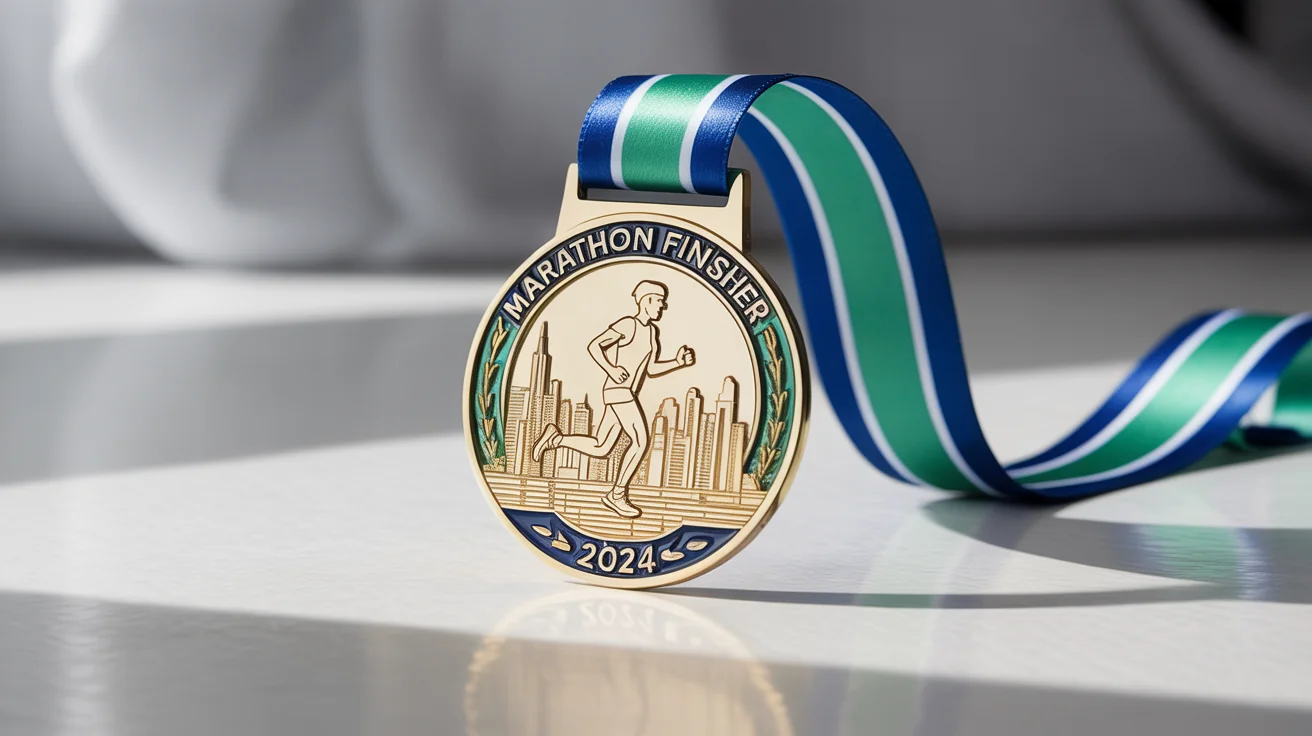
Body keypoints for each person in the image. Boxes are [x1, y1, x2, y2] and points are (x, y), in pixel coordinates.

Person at [532, 280, 694, 518]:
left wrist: (677, 363)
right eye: (659, 301)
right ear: (646, 300)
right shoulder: (629, 324)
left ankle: (556, 439)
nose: (663, 306)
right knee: (640, 442)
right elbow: (595, 345)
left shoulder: (651, 332)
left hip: (624, 393)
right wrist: (611, 368)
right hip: (619, 391)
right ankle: (617, 495)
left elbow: (650, 369)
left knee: (602, 446)